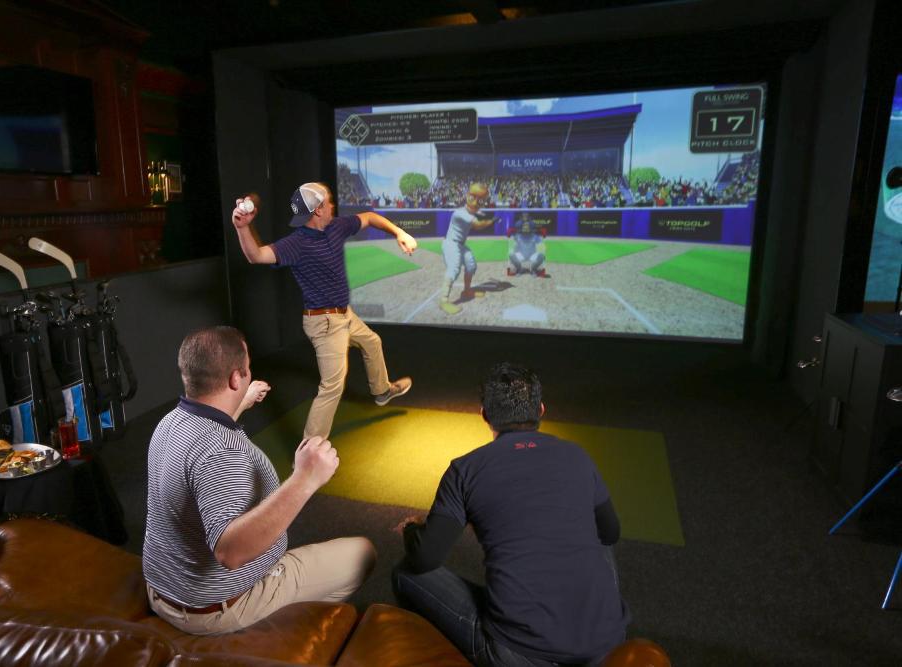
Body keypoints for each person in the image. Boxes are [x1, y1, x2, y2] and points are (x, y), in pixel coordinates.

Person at [143, 326, 376, 635]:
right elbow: (230, 552)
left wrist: (239, 401)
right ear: (235, 378)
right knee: (362, 554)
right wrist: (305, 479)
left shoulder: (170, 422)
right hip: (213, 609)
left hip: (163, 591)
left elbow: (205, 439)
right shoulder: (223, 453)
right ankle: (281, 632)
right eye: (247, 369)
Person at [393, 362, 629, 666]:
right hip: (607, 646)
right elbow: (610, 533)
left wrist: (412, 530)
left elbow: (426, 559)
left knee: (405, 572)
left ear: (484, 415)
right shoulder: (578, 455)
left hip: (518, 654)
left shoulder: (464, 470)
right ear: (541, 410)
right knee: (598, 534)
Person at [231, 183, 415, 439]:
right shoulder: (296, 244)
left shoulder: (336, 226)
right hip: (325, 323)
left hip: (345, 315)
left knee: (372, 342)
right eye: (328, 202)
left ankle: (382, 391)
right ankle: (309, 449)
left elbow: (370, 217)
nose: (333, 206)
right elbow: (256, 256)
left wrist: (399, 232)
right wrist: (242, 228)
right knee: (332, 387)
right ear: (318, 210)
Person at [440, 182, 497, 315]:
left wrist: (488, 216)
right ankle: (444, 301)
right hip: (451, 244)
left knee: (471, 264)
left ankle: (466, 291)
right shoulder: (459, 213)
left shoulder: (474, 211)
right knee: (454, 269)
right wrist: (492, 220)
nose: (476, 202)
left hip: (460, 245)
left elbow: (481, 214)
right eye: (473, 197)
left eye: (480, 200)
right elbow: (478, 225)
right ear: (467, 196)